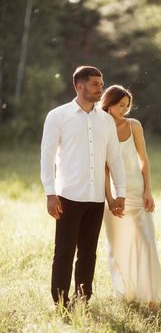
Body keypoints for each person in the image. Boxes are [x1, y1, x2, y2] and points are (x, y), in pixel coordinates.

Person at [40, 66, 126, 309]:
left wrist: (120, 193)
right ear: (79, 86)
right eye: (95, 84)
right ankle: (60, 302)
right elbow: (47, 158)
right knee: (64, 253)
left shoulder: (106, 120)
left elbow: (115, 158)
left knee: (88, 254)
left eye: (101, 83)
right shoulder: (57, 116)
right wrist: (50, 193)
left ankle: (82, 300)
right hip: (68, 196)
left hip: (96, 197)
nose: (101, 88)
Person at [101, 85, 161, 308]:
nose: (125, 110)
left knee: (146, 241)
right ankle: (127, 293)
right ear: (109, 103)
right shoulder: (100, 126)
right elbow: (104, 168)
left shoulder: (134, 125)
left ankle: (151, 296)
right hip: (113, 195)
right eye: (121, 105)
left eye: (127, 106)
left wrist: (148, 190)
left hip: (137, 192)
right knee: (118, 244)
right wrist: (109, 199)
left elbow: (144, 160)